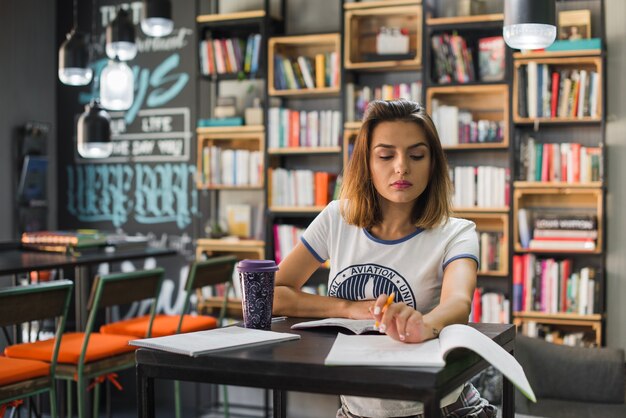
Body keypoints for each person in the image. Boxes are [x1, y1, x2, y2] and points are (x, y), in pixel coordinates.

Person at [273, 99, 496, 418]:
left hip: (441, 409)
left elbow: (458, 304)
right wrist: (349, 309)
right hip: (356, 410)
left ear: (433, 163)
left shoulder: (456, 232)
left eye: (416, 155)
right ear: (367, 162)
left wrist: (424, 324)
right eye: (386, 155)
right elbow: (272, 296)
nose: (402, 166)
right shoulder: (338, 218)